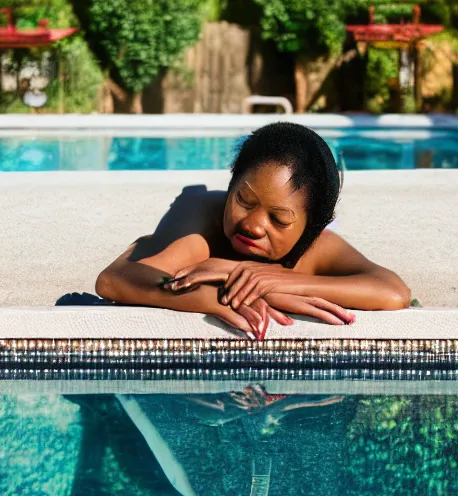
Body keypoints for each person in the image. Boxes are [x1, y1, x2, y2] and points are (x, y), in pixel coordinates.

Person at [95, 122, 410, 339]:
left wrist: (272, 282)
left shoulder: (317, 244)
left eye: (278, 220)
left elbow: (393, 292)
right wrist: (213, 296)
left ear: (310, 228)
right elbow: (115, 279)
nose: (253, 225)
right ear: (231, 186)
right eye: (244, 200)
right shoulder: (203, 223)